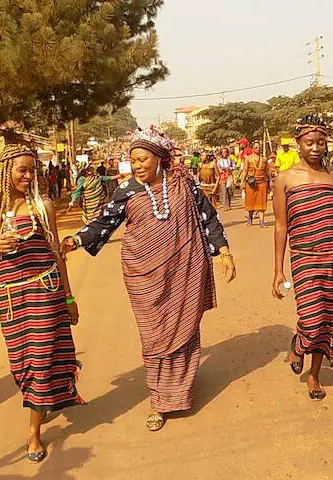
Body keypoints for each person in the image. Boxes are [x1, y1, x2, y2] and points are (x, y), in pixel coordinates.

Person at [61, 126, 236, 432]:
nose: (138, 165)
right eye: (134, 160)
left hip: (185, 270)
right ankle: (158, 399)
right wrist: (76, 240)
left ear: (159, 159)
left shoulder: (184, 185)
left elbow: (208, 217)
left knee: (184, 328)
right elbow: (104, 223)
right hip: (143, 274)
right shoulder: (127, 190)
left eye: (143, 159)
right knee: (154, 337)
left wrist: (224, 252)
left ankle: (178, 391)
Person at [0, 145, 83, 463]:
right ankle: (47, 398)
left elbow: (56, 253)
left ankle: (33, 433)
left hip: (45, 291)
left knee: (42, 358)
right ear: (5, 171)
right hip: (10, 298)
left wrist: (69, 297)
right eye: (23, 170)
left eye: (34, 170)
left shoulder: (42, 206)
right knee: (20, 364)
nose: (30, 176)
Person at [272, 115, 333, 400]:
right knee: (312, 321)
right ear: (298, 144)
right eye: (309, 142)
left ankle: (314, 376)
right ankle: (299, 345)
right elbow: (280, 225)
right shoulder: (285, 179)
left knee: (332, 319)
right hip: (305, 259)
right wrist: (278, 270)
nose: (315, 148)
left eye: (320, 142)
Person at [241, 141, 270, 227]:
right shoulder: (248, 158)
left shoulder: (264, 159)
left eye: (259, 147)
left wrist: (270, 181)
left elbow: (267, 171)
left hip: (262, 183)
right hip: (251, 183)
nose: (258, 149)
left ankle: (262, 221)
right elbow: (245, 171)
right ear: (252, 149)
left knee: (262, 202)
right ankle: (250, 219)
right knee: (250, 201)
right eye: (256, 147)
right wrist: (242, 182)